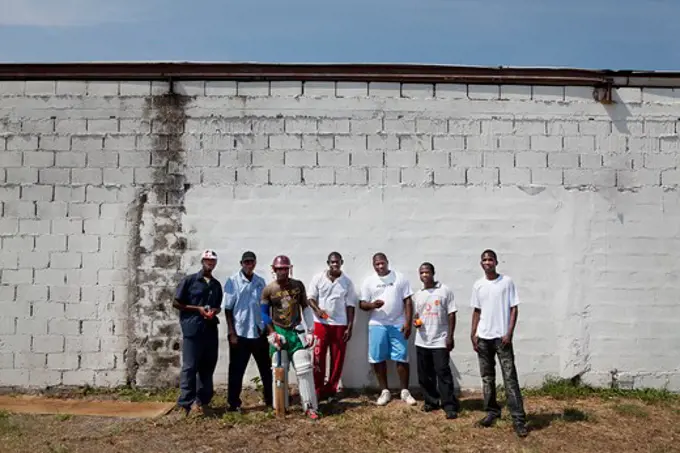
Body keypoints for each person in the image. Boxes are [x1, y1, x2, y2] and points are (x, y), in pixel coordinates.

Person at [470, 249, 528, 437]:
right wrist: (473, 333)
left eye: (490, 259)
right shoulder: (478, 285)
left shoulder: (506, 282)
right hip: (483, 337)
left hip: (501, 338)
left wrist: (509, 333)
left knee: (510, 378)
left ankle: (518, 419)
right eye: (484, 260)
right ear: (481, 264)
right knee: (487, 378)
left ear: (496, 262)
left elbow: (514, 309)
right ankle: (491, 412)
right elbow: (477, 311)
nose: (487, 262)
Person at [261, 255, 320, 420]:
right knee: (279, 369)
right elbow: (264, 314)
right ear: (274, 269)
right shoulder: (269, 289)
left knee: (304, 367)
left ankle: (310, 407)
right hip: (279, 331)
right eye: (279, 269)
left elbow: (305, 307)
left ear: (290, 269)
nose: (282, 272)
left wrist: (310, 330)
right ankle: (280, 405)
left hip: (295, 330)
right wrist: (272, 333)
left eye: (285, 268)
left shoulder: (298, 285)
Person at [359, 252, 417, 406]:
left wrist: (408, 322)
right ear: (373, 265)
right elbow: (362, 304)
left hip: (398, 323)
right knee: (378, 358)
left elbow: (408, 301)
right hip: (377, 324)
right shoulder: (369, 281)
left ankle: (405, 391)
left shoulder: (400, 278)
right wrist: (373, 305)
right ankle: (385, 391)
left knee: (402, 357)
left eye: (382, 263)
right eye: (376, 264)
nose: (380, 266)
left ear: (387, 262)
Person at [173, 249, 223, 416]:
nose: (210, 263)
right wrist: (198, 309)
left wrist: (213, 311)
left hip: (209, 329)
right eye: (207, 260)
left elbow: (218, 305)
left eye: (213, 261)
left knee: (208, 366)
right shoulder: (190, 281)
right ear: (202, 261)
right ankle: (185, 401)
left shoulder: (216, 285)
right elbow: (177, 303)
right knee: (190, 366)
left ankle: (202, 400)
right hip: (193, 328)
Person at [223, 251, 272, 413]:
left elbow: (264, 307)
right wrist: (231, 332)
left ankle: (270, 400)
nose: (249, 265)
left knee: (266, 369)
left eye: (251, 262)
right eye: (246, 262)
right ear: (241, 263)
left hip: (258, 333)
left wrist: (266, 328)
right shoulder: (233, 282)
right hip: (240, 333)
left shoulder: (260, 282)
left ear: (255, 263)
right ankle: (233, 403)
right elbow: (228, 309)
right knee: (236, 371)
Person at [307, 251, 358, 402]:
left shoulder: (347, 282)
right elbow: (310, 298)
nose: (335, 264)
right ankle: (317, 389)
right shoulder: (318, 278)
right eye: (332, 262)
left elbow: (350, 305)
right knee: (318, 357)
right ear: (328, 263)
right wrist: (318, 311)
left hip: (339, 325)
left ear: (341, 262)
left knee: (337, 359)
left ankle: (331, 390)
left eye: (337, 262)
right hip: (321, 324)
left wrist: (349, 327)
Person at [413, 262, 460, 419]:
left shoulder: (444, 291)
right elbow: (417, 315)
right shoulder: (418, 294)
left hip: (440, 339)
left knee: (443, 372)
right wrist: (415, 321)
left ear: (433, 273)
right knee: (425, 374)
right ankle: (431, 401)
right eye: (421, 273)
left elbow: (451, 314)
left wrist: (450, 336)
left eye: (427, 272)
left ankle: (449, 405)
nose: (424, 275)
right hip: (422, 339)